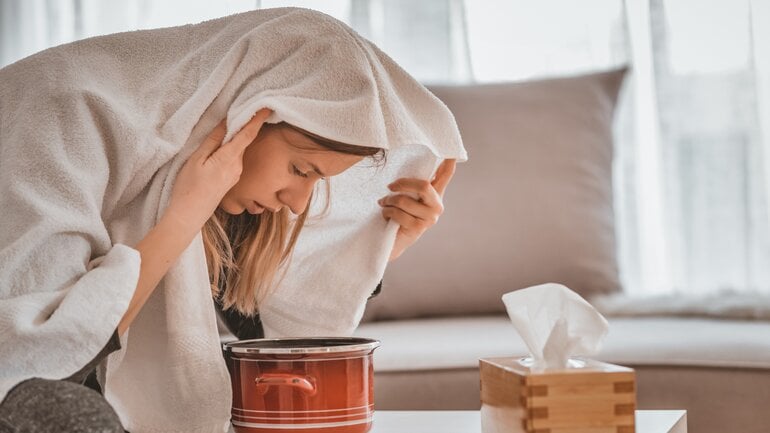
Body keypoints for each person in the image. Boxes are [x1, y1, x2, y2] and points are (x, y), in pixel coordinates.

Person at [0, 7, 466, 432]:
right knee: (59, 411)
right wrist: (185, 214)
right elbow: (45, 352)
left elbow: (274, 339)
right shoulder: (63, 113)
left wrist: (381, 246)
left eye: (317, 182)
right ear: (248, 115)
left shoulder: (209, 185)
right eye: (301, 170)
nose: (300, 203)